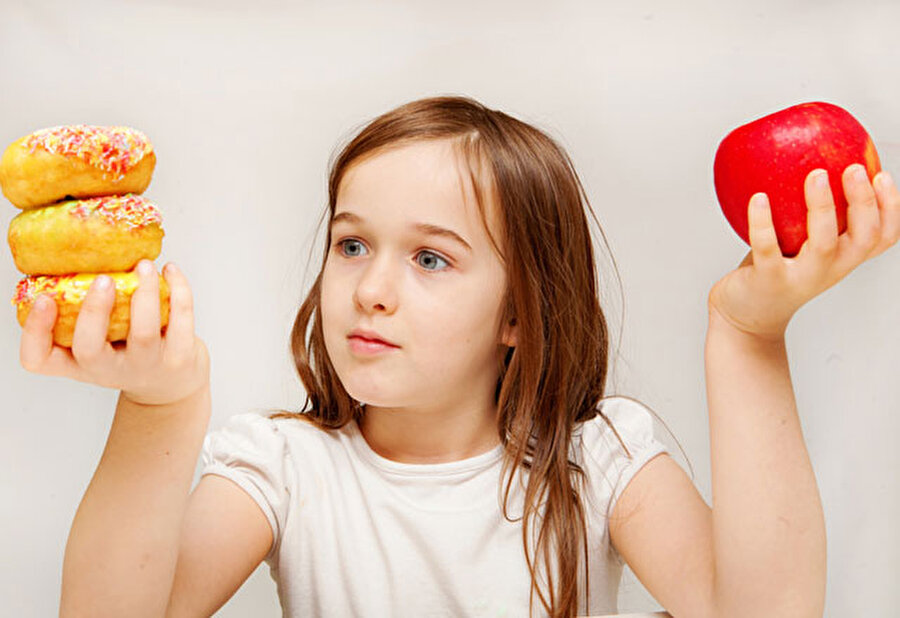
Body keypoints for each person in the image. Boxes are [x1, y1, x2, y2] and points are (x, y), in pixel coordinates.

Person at [19, 95, 899, 618]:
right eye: (353, 245)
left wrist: (748, 337)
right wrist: (159, 410)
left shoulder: (599, 460)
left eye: (431, 259)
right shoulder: (281, 466)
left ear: (519, 312)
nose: (370, 289)